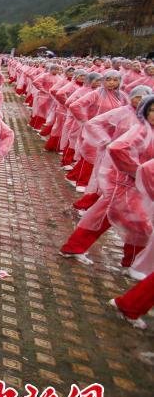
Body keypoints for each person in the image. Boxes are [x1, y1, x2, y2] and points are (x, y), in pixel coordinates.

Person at [59, 95, 154, 268]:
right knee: (137, 224)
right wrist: (137, 172)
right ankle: (131, 264)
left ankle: (75, 247)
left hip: (138, 188)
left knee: (109, 218)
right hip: (126, 185)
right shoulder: (141, 130)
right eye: (152, 109)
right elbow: (118, 148)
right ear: (145, 111)